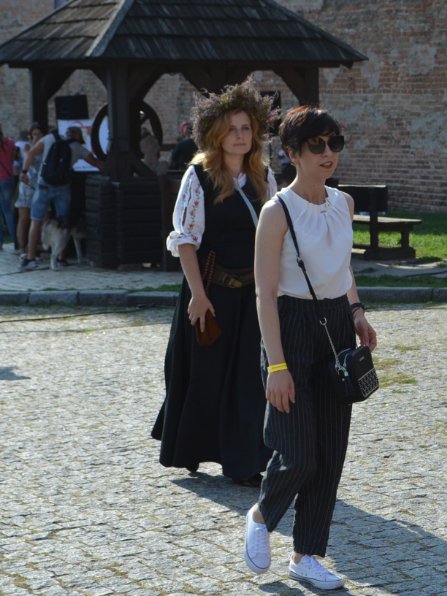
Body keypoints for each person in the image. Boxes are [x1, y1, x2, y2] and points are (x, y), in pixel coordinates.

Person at [242, 105, 376, 590]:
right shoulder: (277, 211)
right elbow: (264, 293)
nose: (327, 153)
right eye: (316, 145)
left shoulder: (344, 203)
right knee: (299, 454)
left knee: (331, 451)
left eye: (334, 143)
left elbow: (342, 269)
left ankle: (306, 555)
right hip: (290, 327)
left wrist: (357, 312)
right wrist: (276, 365)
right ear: (292, 153)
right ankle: (262, 514)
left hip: (337, 326)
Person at [151, 79, 276, 486]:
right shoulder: (199, 176)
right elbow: (186, 241)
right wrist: (199, 296)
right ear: (217, 135)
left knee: (248, 379)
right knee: (205, 377)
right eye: (232, 129)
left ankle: (244, 462)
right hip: (210, 291)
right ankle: (193, 449)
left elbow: (275, 237)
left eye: (246, 128)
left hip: (251, 295)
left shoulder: (264, 176)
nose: (240, 136)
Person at [19, 126, 103, 270]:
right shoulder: (78, 147)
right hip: (63, 187)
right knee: (64, 222)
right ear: (77, 135)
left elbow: (31, 153)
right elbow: (97, 164)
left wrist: (24, 171)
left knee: (36, 221)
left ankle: (30, 258)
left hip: (44, 184)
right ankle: (61, 258)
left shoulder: (49, 138)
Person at [14, 124, 44, 259]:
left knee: (39, 218)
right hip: (27, 185)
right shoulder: (27, 146)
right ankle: (22, 247)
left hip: (41, 185)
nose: (36, 136)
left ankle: (34, 247)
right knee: (24, 218)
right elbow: (28, 158)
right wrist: (34, 143)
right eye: (34, 134)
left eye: (39, 134)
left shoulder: (46, 147)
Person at [0, 125, 16, 251]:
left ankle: (0, 244)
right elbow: (14, 159)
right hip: (7, 179)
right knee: (8, 212)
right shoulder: (11, 143)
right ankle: (17, 242)